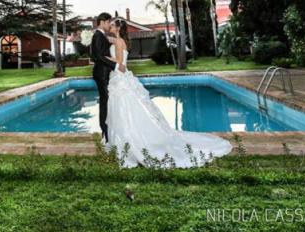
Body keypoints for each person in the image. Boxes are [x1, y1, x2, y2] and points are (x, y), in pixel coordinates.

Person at [105, 18, 232, 167]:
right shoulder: (118, 41)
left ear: (118, 28)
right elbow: (106, 39)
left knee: (124, 112)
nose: (110, 27)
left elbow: (120, 65)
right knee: (123, 112)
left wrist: (103, 58)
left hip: (121, 80)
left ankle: (131, 145)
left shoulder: (119, 42)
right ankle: (123, 144)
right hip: (119, 81)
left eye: (112, 25)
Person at [90, 12, 114, 141]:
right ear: (103, 22)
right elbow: (99, 56)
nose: (110, 24)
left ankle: (106, 130)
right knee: (104, 103)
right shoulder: (98, 35)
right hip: (102, 74)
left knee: (106, 102)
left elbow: (94, 55)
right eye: (109, 22)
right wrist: (114, 65)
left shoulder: (100, 35)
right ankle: (105, 131)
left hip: (104, 73)